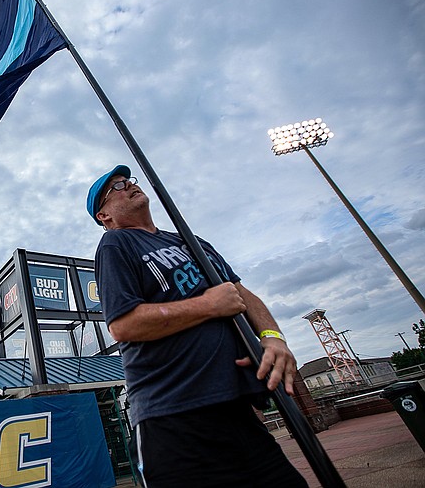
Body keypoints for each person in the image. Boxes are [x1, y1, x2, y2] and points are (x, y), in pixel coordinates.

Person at [88, 164, 307, 487]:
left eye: (128, 181)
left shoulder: (193, 243)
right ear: (103, 217)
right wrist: (208, 305)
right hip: (173, 419)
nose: (129, 186)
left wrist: (273, 338)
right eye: (116, 188)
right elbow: (123, 324)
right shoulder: (116, 245)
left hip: (237, 413)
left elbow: (241, 294)